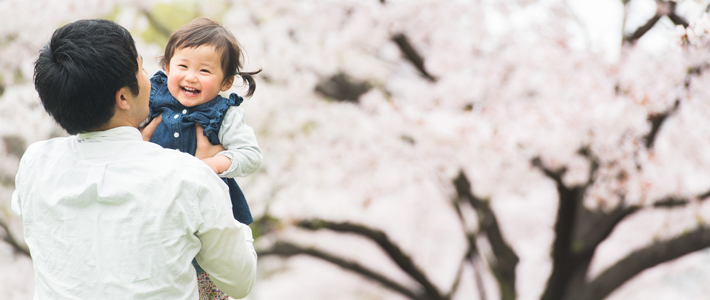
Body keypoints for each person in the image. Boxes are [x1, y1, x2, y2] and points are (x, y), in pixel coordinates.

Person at [12, 19, 257, 299]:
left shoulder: (34, 164)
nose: (152, 78)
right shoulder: (189, 178)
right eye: (141, 68)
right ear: (123, 97)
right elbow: (241, 282)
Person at [139, 18, 262, 299]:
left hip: (207, 206)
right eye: (182, 66)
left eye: (204, 70)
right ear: (167, 67)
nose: (191, 77)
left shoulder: (225, 114)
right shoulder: (152, 99)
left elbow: (251, 155)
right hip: (157, 203)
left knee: (207, 264)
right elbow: (131, 137)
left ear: (226, 81)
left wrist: (211, 165)